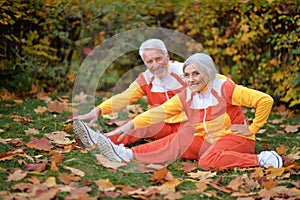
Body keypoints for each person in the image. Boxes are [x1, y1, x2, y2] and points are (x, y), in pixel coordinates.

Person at [73, 53, 283, 170]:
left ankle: (262, 159)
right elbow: (159, 112)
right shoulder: (187, 94)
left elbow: (265, 100)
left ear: (208, 73)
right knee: (178, 140)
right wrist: (130, 124)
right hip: (206, 138)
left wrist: (253, 127)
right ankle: (125, 153)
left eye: (196, 74)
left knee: (207, 162)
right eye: (188, 75)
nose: (191, 80)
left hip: (235, 138)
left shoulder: (225, 87)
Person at [73, 39, 188, 146]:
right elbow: (124, 97)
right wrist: (98, 110)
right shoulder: (145, 79)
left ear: (167, 56)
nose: (155, 65)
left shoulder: (185, 72)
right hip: (163, 125)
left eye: (158, 59)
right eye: (149, 61)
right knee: (137, 123)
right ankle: (102, 142)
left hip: (188, 124)